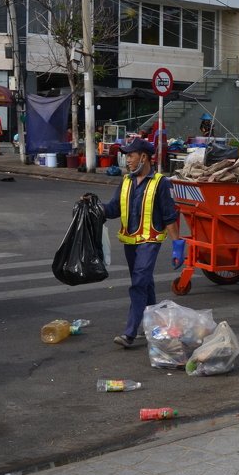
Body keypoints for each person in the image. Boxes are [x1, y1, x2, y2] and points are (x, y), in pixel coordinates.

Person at [99, 138, 182, 348]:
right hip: (130, 243)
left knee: (138, 283)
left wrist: (177, 245)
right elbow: (114, 209)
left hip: (150, 241)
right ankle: (153, 325)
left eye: (130, 155)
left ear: (143, 157)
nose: (127, 160)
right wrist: (95, 207)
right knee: (145, 283)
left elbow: (169, 216)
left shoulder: (161, 183)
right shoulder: (126, 181)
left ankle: (130, 332)